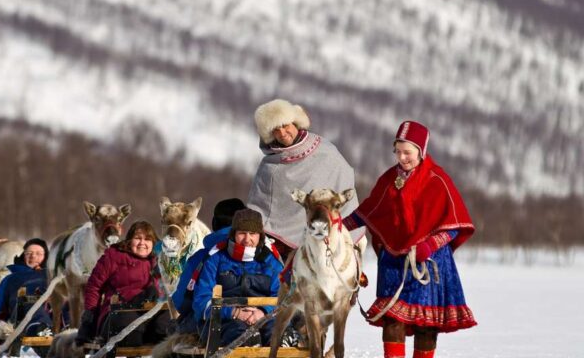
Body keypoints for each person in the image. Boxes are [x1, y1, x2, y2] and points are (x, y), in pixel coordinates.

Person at [342, 121, 477, 358]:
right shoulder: (388, 180)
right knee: (393, 321)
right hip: (394, 264)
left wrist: (430, 245)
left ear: (421, 151)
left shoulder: (437, 180)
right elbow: (369, 212)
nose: (402, 157)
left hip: (428, 263)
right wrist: (339, 227)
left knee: (426, 326)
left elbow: (454, 226)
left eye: (407, 152)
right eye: (398, 152)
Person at [247, 99, 360, 251]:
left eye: (285, 125)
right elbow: (260, 205)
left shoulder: (325, 151)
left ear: (295, 123)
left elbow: (344, 177)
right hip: (281, 245)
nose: (282, 133)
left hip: (330, 234)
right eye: (275, 130)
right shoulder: (269, 166)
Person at [192, 208, 284, 347]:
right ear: (233, 234)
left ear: (260, 236)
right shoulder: (215, 259)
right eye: (242, 233)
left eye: (252, 234)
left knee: (279, 335)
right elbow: (201, 300)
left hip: (265, 318)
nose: (247, 239)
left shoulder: (271, 262)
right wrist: (234, 312)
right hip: (225, 321)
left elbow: (283, 297)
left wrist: (263, 312)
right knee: (243, 337)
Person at [76, 221, 170, 347]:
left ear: (153, 243)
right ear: (130, 240)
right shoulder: (114, 256)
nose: (142, 243)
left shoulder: (160, 260)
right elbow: (94, 287)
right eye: (138, 238)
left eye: (147, 239)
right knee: (129, 326)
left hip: (151, 312)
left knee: (167, 324)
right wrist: (90, 316)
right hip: (120, 312)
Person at [171, 198, 247, 334]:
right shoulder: (264, 255)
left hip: (213, 323)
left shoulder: (202, 258)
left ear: (214, 223)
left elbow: (181, 302)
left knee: (175, 328)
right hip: (258, 317)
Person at [0, 238, 53, 356]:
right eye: (28, 253)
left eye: (38, 254)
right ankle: (40, 330)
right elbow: (0, 307)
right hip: (20, 318)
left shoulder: (52, 275)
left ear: (46, 257)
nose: (33, 256)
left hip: (52, 315)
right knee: (29, 301)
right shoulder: (10, 279)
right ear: (23, 256)